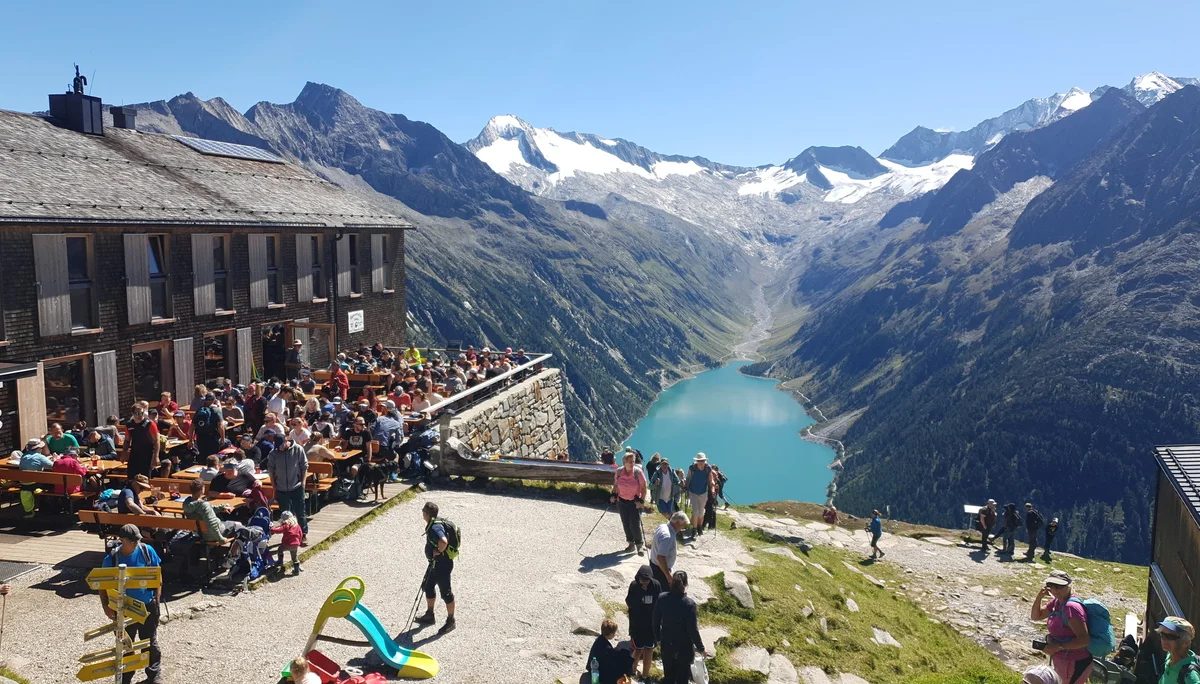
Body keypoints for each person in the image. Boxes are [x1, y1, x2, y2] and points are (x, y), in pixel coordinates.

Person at [100, 524, 163, 684]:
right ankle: (125, 678)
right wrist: (106, 606)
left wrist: (156, 598)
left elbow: (157, 574)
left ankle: (153, 675)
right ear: (122, 540)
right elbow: (102, 584)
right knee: (126, 644)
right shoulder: (112, 558)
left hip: (147, 606)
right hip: (123, 609)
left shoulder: (147, 550)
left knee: (149, 641)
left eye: (137, 540)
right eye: (132, 541)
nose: (136, 543)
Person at [1030, 571, 1092, 684]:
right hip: (1063, 660)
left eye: (1059, 586)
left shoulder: (1071, 607)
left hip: (1074, 662)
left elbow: (1084, 640)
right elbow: (1036, 616)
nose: (1055, 590)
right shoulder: (1057, 602)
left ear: (1068, 586)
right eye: (1051, 585)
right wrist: (1039, 597)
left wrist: (1057, 647)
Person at [653, 571, 708, 684]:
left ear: (671, 583)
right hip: (684, 647)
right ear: (686, 584)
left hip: (667, 643)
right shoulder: (689, 604)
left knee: (669, 677)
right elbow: (692, 630)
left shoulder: (662, 598)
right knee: (682, 678)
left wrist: (658, 639)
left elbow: (655, 620)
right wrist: (701, 648)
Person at [414, 501, 456, 634]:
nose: (422, 513)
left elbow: (443, 541)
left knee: (446, 593)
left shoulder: (435, 527)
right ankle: (430, 615)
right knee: (428, 586)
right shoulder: (436, 521)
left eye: (423, 511)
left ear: (426, 514)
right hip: (435, 563)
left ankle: (451, 621)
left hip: (442, 565)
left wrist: (438, 551)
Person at [269, 438, 309, 544]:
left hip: (296, 486)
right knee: (285, 514)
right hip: (281, 488)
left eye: (281, 446)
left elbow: (304, 466)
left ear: (286, 441)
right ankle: (288, 536)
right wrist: (274, 486)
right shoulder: (273, 453)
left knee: (300, 512)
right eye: (278, 447)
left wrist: (303, 483)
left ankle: (303, 534)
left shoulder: (298, 449)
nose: (280, 449)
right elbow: (271, 470)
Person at [626, 565, 662, 679]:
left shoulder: (656, 585)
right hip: (638, 625)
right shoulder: (634, 586)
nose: (644, 582)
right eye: (642, 580)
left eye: (646, 580)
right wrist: (641, 594)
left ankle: (645, 675)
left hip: (651, 625)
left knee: (649, 650)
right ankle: (632, 672)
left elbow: (660, 602)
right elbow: (629, 602)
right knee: (638, 649)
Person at [612, 450, 648, 555]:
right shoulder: (619, 472)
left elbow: (644, 487)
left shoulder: (638, 472)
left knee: (635, 524)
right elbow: (615, 485)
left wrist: (641, 500)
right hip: (621, 501)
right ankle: (631, 544)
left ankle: (639, 545)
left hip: (634, 502)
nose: (632, 464)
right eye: (630, 462)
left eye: (633, 461)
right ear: (624, 462)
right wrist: (613, 495)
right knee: (626, 523)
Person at [583, 618, 634, 684]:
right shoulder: (606, 647)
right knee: (625, 657)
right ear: (610, 634)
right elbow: (610, 658)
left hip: (593, 668)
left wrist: (614, 650)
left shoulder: (599, 640)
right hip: (599, 673)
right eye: (614, 633)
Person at [181, 479, 232, 544]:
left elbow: (206, 510)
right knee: (238, 526)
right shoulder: (204, 505)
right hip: (211, 535)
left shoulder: (186, 504)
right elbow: (212, 525)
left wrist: (221, 508)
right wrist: (221, 539)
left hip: (198, 533)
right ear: (202, 490)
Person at [650, 512, 690, 589]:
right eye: (683, 525)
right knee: (663, 591)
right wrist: (668, 576)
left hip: (655, 565)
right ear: (677, 523)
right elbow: (660, 557)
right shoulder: (667, 536)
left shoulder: (663, 526)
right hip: (660, 570)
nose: (683, 528)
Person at [1156, 616, 1199, 684]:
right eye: (1162, 634)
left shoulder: (1190, 675)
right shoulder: (1169, 657)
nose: (1164, 640)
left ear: (1186, 642)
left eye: (1170, 636)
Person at [18, 438, 55, 517]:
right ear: (38, 448)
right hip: (35, 483)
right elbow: (53, 466)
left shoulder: (24, 456)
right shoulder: (40, 457)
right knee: (51, 485)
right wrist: (54, 459)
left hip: (24, 484)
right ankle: (47, 507)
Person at [124, 401, 160, 480]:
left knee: (145, 477)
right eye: (137, 413)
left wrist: (156, 456)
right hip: (135, 453)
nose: (140, 415)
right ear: (133, 414)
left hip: (148, 453)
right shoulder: (129, 424)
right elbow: (127, 440)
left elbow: (156, 440)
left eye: (141, 413)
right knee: (131, 476)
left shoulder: (150, 424)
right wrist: (124, 453)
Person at [682, 453, 713, 537]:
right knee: (695, 511)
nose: (701, 462)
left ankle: (699, 527)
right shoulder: (692, 468)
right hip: (693, 492)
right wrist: (685, 486)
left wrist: (713, 487)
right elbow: (688, 478)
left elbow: (710, 480)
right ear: (697, 461)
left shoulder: (708, 468)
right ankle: (694, 529)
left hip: (703, 493)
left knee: (701, 512)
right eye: (699, 460)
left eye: (702, 460)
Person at [191, 393, 226, 459]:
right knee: (213, 458)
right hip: (212, 438)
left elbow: (192, 426)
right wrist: (222, 439)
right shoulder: (217, 410)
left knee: (202, 457)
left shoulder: (199, 410)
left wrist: (191, 440)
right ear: (214, 400)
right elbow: (220, 426)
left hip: (200, 438)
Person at [272, 510, 305, 575]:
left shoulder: (286, 525)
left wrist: (272, 528)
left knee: (280, 549)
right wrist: (299, 542)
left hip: (287, 544)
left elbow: (278, 530)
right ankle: (296, 570)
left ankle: (280, 561)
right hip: (295, 544)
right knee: (294, 557)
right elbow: (300, 534)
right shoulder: (297, 525)